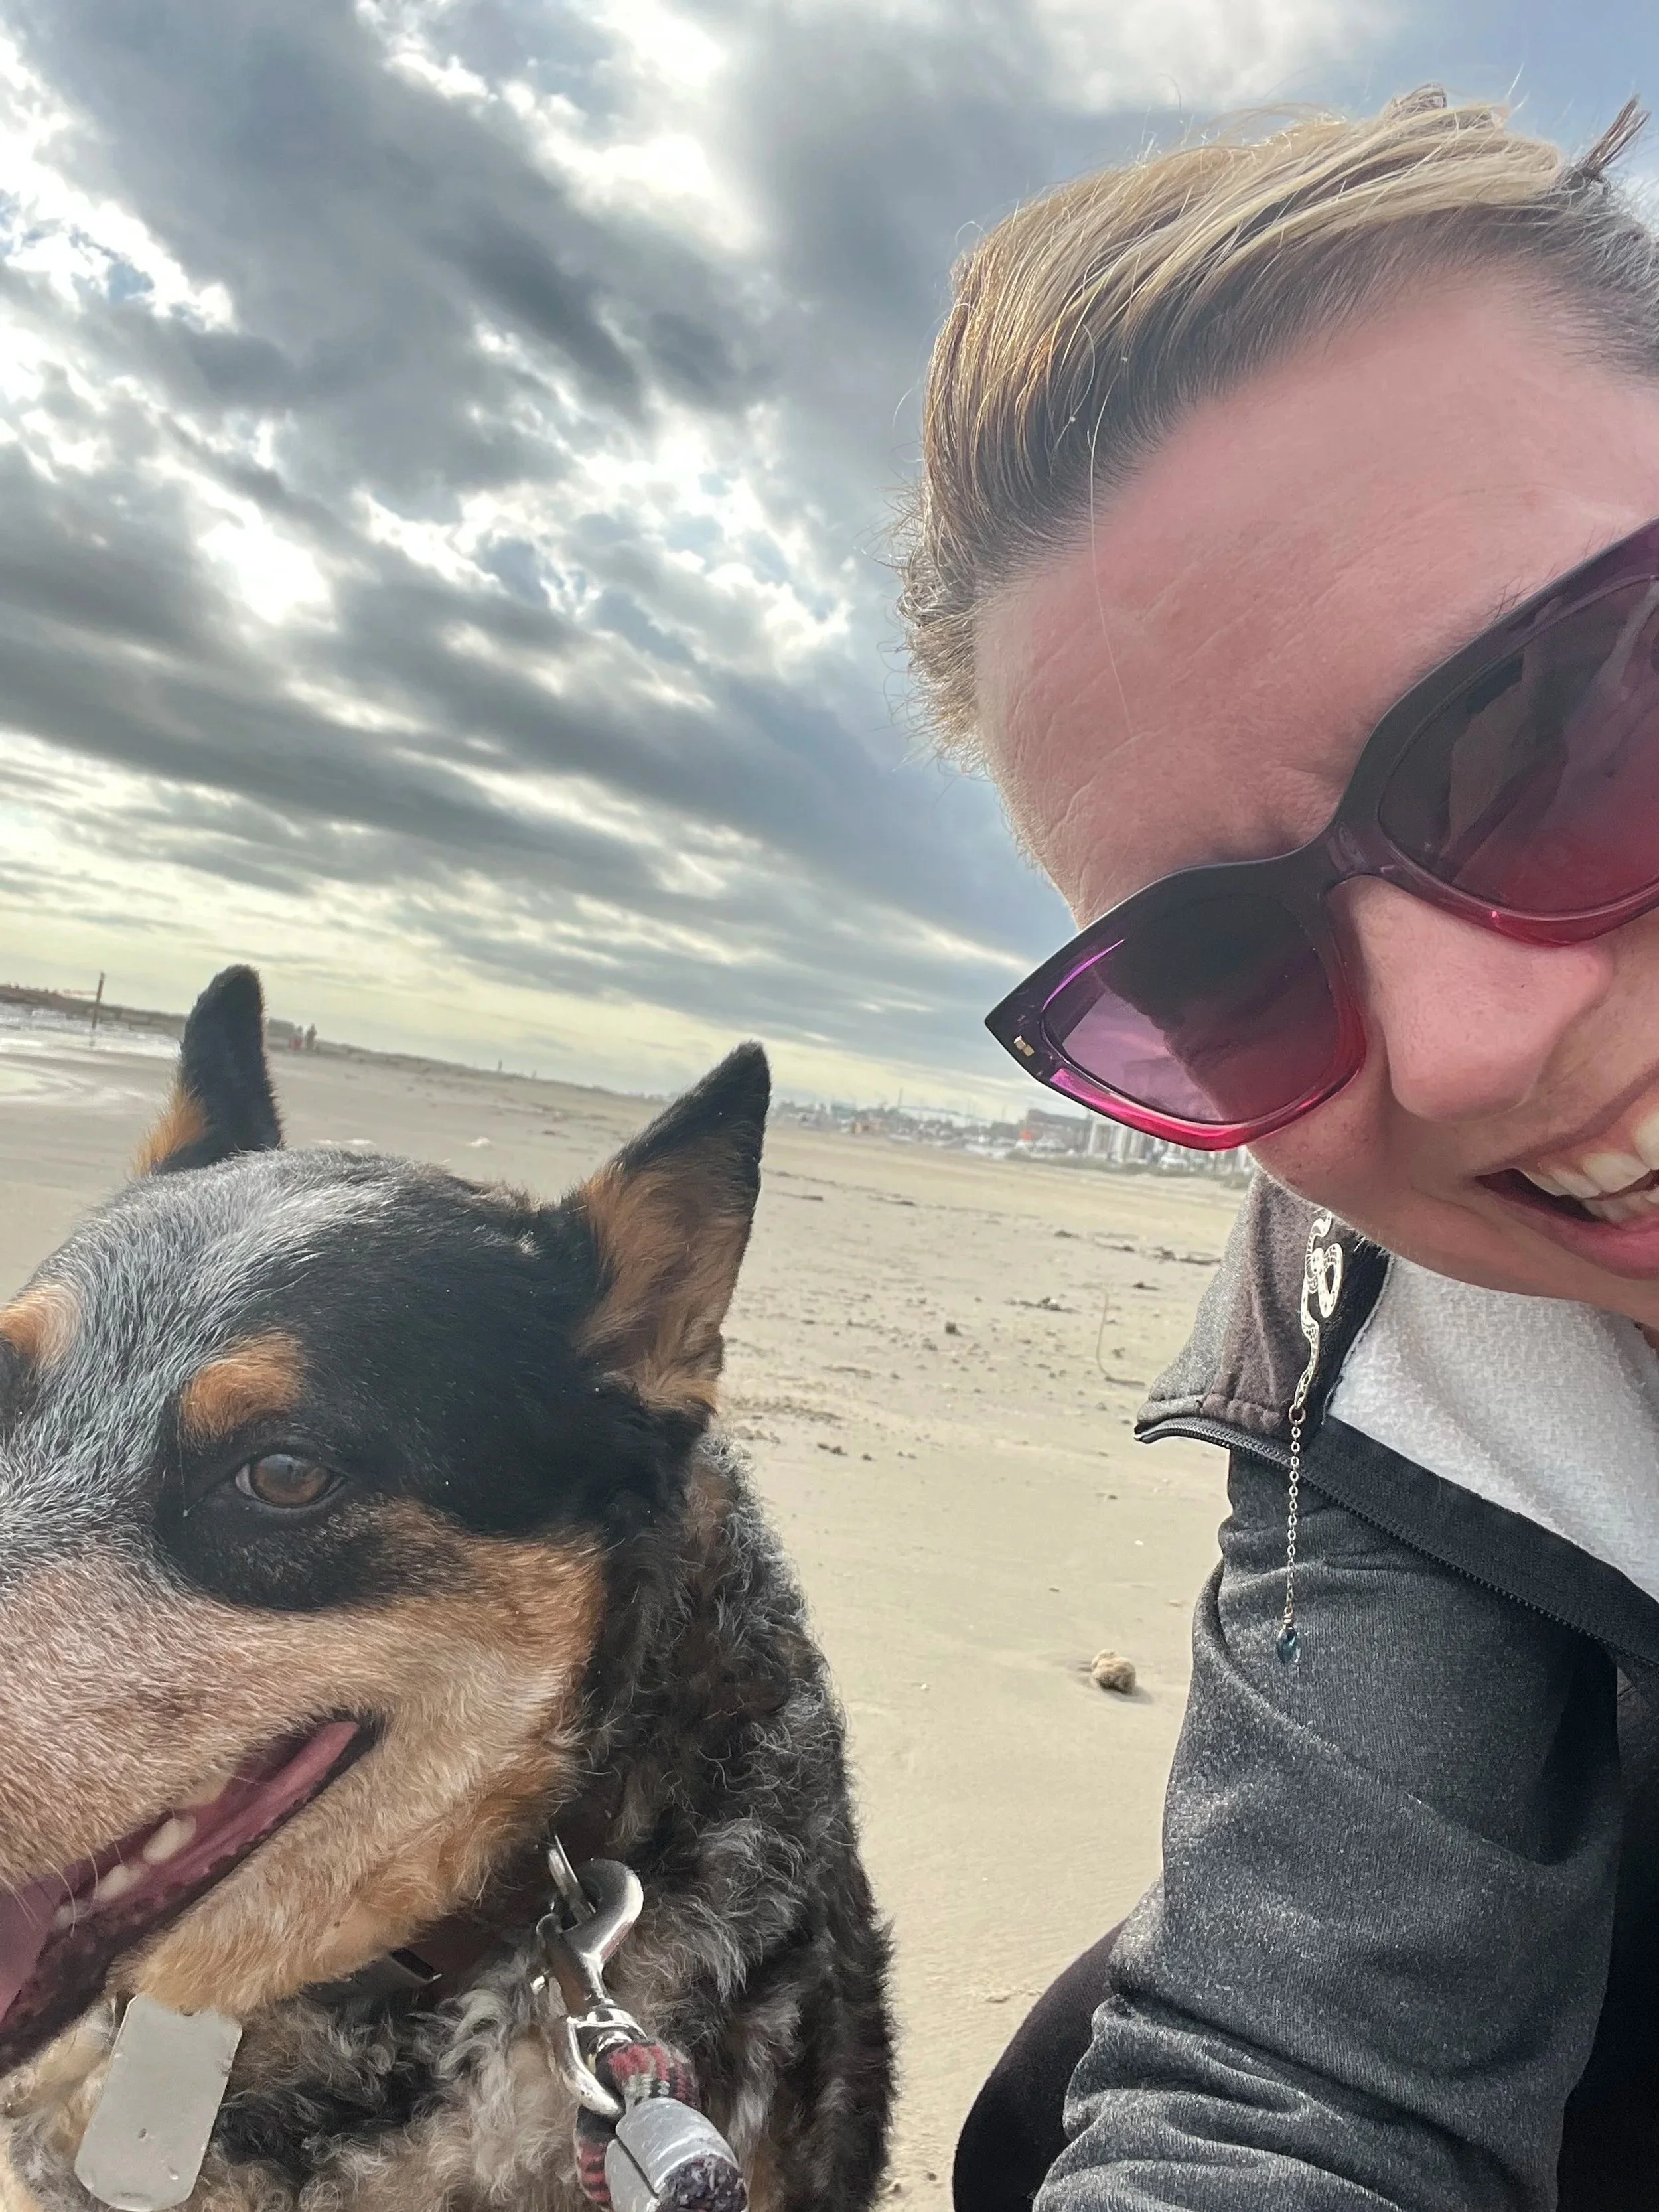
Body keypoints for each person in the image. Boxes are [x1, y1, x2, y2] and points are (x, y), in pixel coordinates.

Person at [899, 89, 1659, 2210]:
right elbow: (1305, 2074)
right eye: (1226, 972)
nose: (1462, 1045)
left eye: (1574, 722)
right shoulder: (1399, 1315)